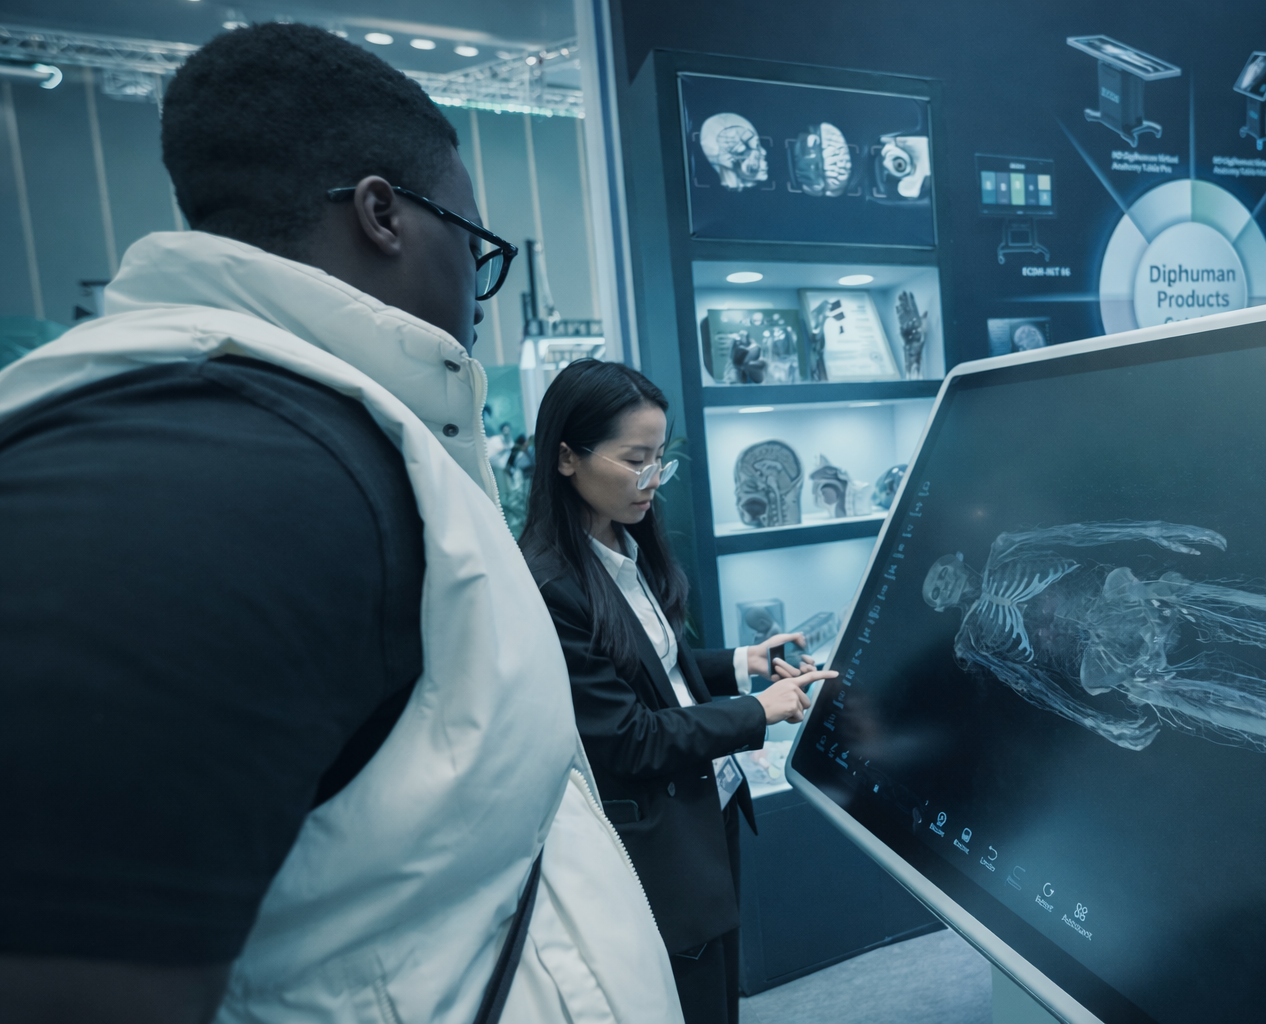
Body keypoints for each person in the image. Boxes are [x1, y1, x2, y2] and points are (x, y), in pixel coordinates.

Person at [0, 23, 678, 1024]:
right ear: (383, 214)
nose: (478, 294)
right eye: (475, 247)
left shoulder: (313, 437)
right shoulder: (212, 472)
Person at [520, 359, 838, 1024]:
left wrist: (742, 663)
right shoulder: (550, 584)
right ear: (567, 458)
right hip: (657, 839)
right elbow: (628, 738)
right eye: (635, 460)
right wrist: (756, 711)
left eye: (659, 458)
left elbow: (648, 665)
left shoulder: (620, 540)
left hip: (703, 809)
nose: (652, 479)